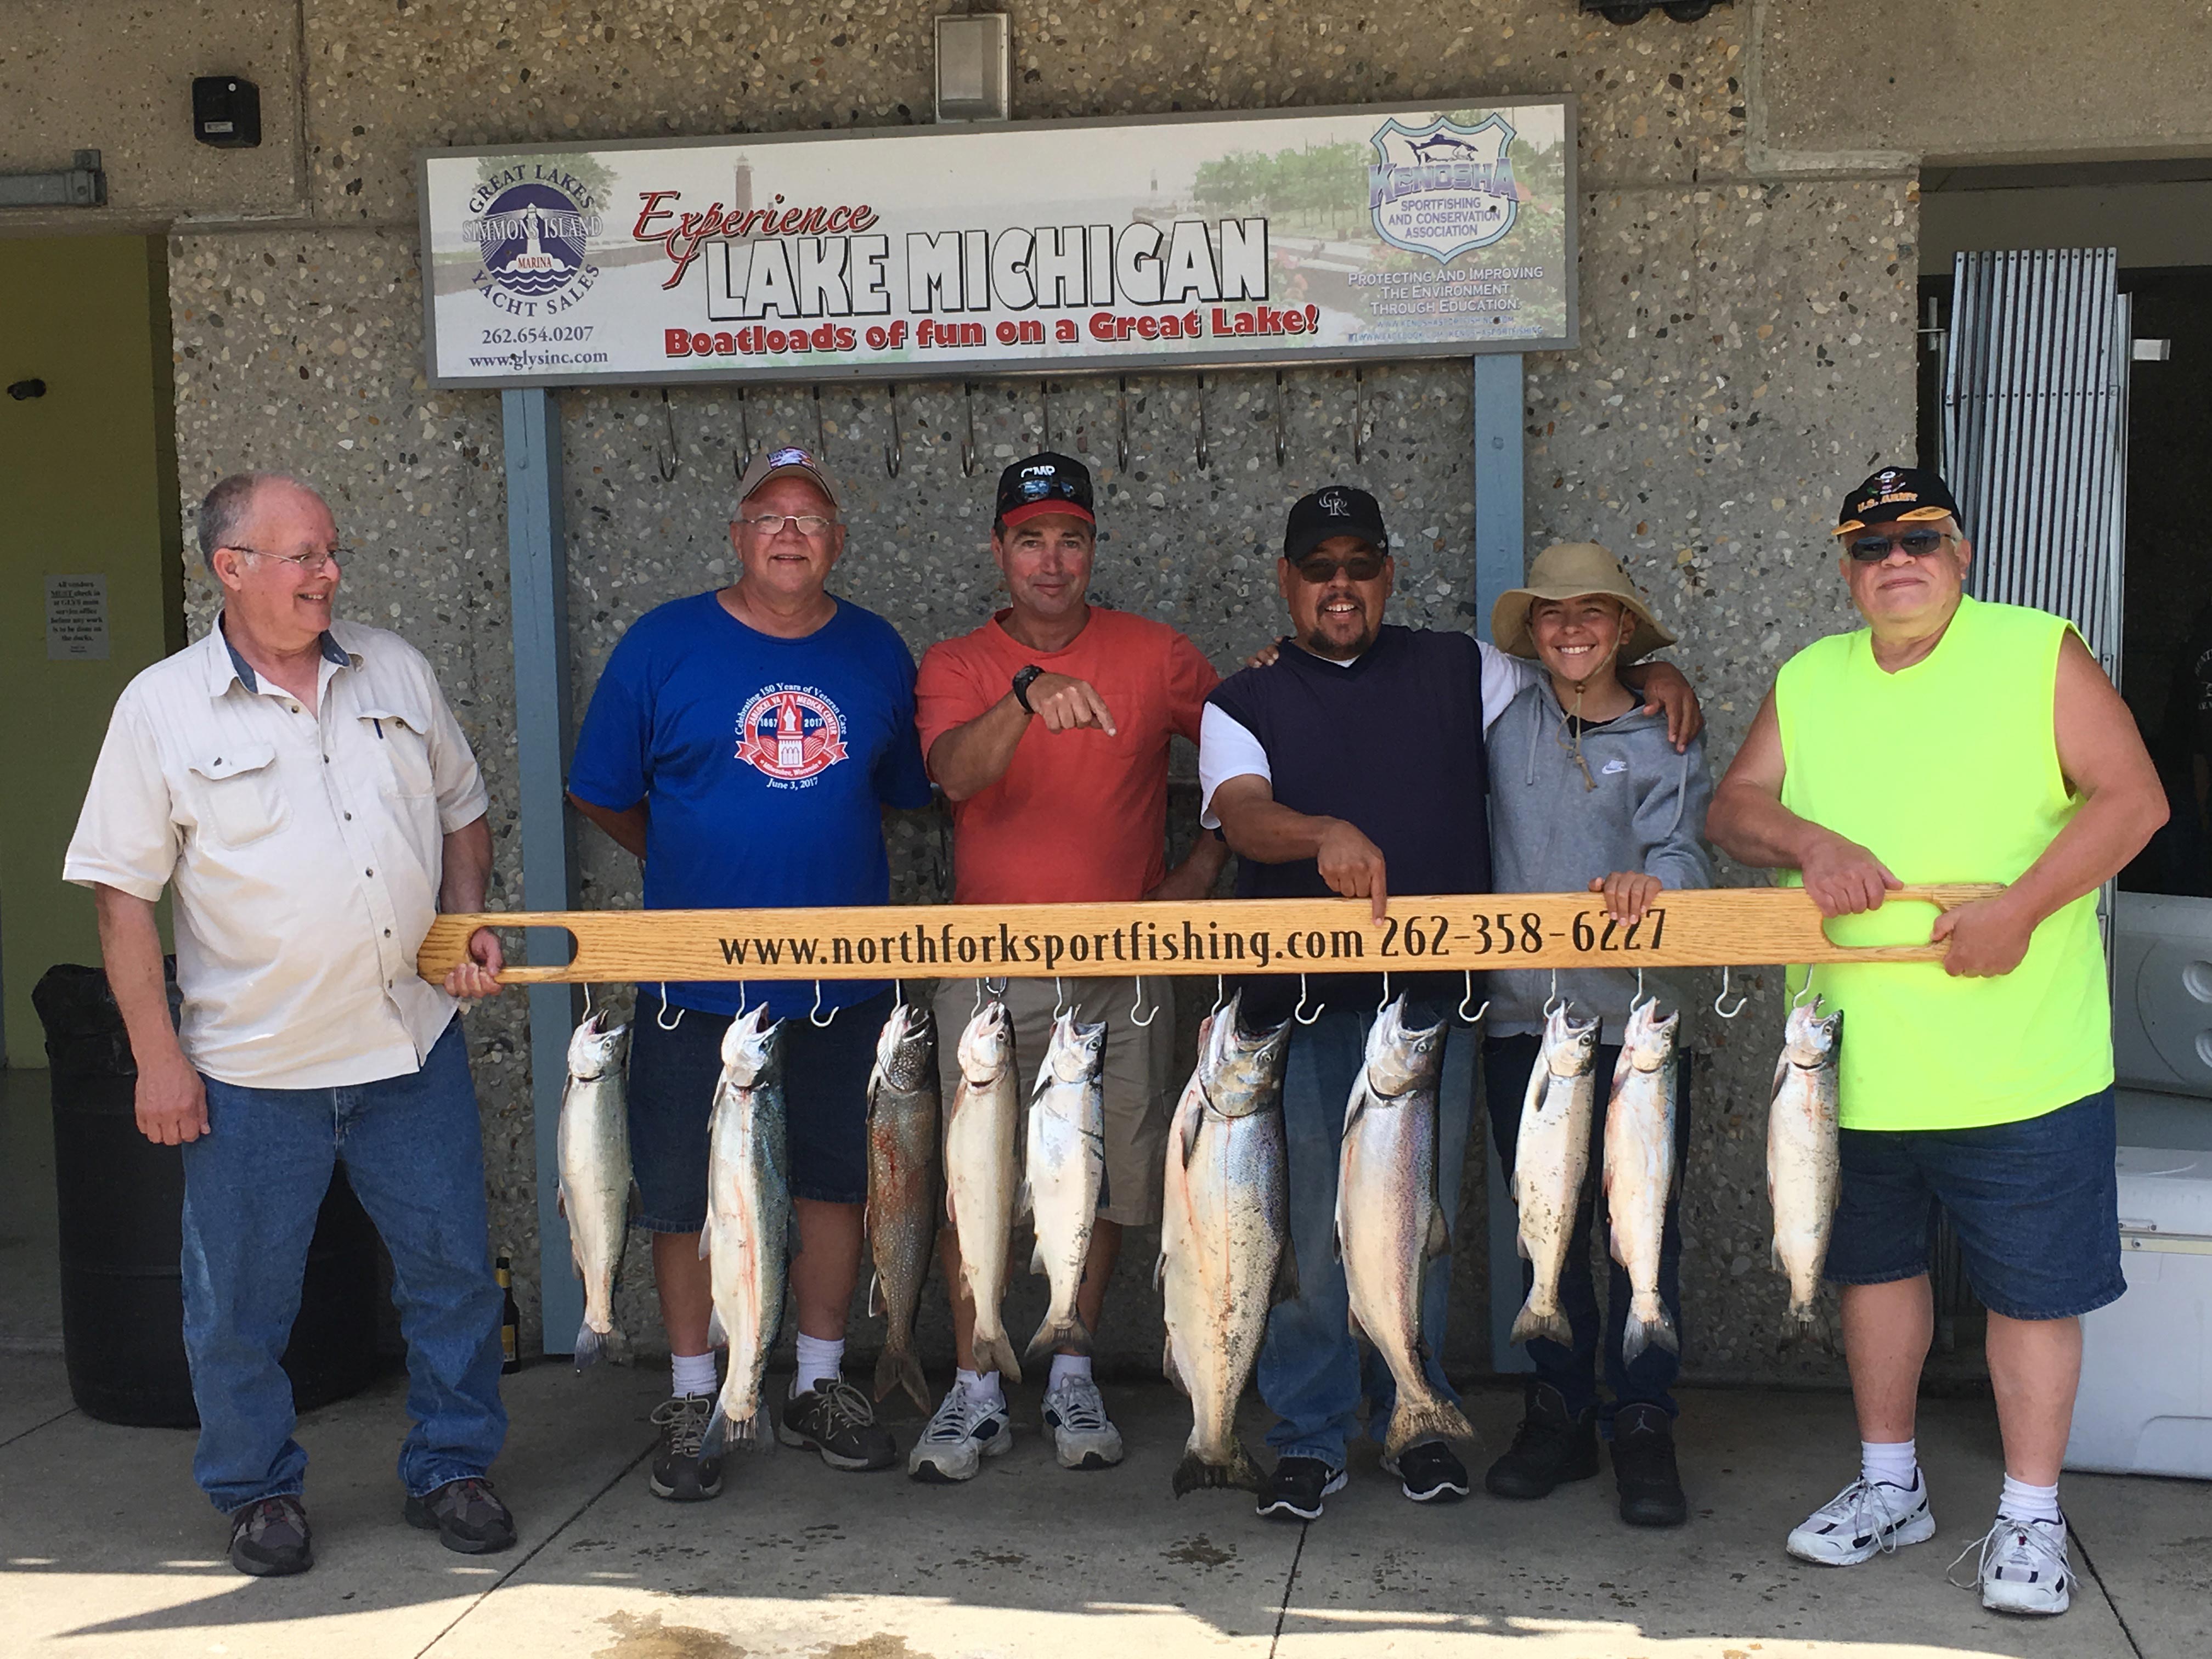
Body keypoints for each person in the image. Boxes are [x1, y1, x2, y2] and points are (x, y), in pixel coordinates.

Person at [1705, 465, 2166, 1617]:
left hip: (2024, 1059)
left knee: (2032, 1293)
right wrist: (1808, 841)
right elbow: (1734, 808)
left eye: (1920, 537)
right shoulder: (1812, 676)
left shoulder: (2035, 649)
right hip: (1847, 1065)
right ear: (1848, 570)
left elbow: (2132, 801)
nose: (1895, 558)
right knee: (1874, 1273)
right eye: (1870, 545)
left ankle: (2029, 1515)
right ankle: (1888, 1484)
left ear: (1960, 553)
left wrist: (2018, 906)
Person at [1201, 485, 1702, 1522]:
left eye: (1361, 563)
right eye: (1318, 566)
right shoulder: (1238, 701)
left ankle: (1413, 1415)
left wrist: (1657, 670)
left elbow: (1584, 667)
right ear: (1287, 582)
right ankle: (1306, 1432)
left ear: (1388, 574)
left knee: (1411, 1225)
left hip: (1434, 1008)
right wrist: (1323, 833)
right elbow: (1242, 817)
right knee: (1305, 1226)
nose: (1341, 584)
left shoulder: (1464, 667)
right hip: (1296, 1009)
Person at [64, 472, 516, 1578]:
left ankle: (454, 1466)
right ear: (232, 569)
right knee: (239, 1308)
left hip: (410, 1049)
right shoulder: (160, 708)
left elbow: (463, 804)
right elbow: (122, 898)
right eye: (303, 555)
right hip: (252, 1074)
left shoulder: (395, 669)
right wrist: (156, 1057)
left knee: (453, 1275)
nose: (329, 573)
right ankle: (257, 1490)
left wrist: (464, 921)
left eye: (330, 550)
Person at [566, 446, 932, 1501]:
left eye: (811, 519)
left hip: (844, 981)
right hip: (693, 982)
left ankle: (819, 1382)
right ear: (736, 537)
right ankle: (694, 1390)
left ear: (837, 544)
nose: (788, 533)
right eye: (767, 516)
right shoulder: (663, 644)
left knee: (829, 1183)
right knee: (683, 1193)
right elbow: (601, 790)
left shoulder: (874, 649)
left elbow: (909, 793)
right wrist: (684, 868)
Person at [909, 452, 1228, 1482]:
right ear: (999, 550)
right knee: (975, 1180)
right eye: (1031, 538)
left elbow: (1244, 757)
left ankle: (1071, 1363)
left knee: (1104, 1176)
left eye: (1072, 538)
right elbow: (953, 774)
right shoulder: (958, 663)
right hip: (988, 969)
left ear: (1096, 547)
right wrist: (1026, 695)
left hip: (1124, 966)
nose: (1053, 560)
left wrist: (1198, 878)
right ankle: (973, 1384)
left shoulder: (1156, 653)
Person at [1476, 540, 1712, 1528]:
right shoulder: (1499, 716)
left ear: (1624, 628)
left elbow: (1692, 859)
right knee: (1549, 1232)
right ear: (1532, 634)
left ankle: (1644, 1421)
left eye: (1594, 614)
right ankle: (1562, 1410)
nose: (1572, 630)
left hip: (1635, 1034)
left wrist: (1655, 883)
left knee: (1637, 1237)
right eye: (1552, 616)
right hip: (1521, 1024)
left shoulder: (1668, 732)